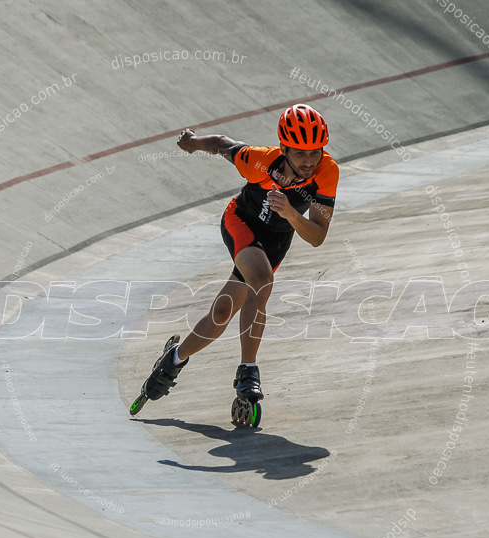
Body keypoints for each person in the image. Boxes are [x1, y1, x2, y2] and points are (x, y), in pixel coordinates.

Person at [133, 104, 339, 415]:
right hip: (241, 221)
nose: (309, 161)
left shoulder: (327, 172)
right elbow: (222, 144)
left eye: (315, 152)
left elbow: (316, 236)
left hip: (277, 239)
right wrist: (193, 143)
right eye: (300, 153)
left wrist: (290, 213)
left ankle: (173, 359)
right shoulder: (258, 160)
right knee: (261, 282)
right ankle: (248, 370)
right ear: (283, 149)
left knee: (222, 312)